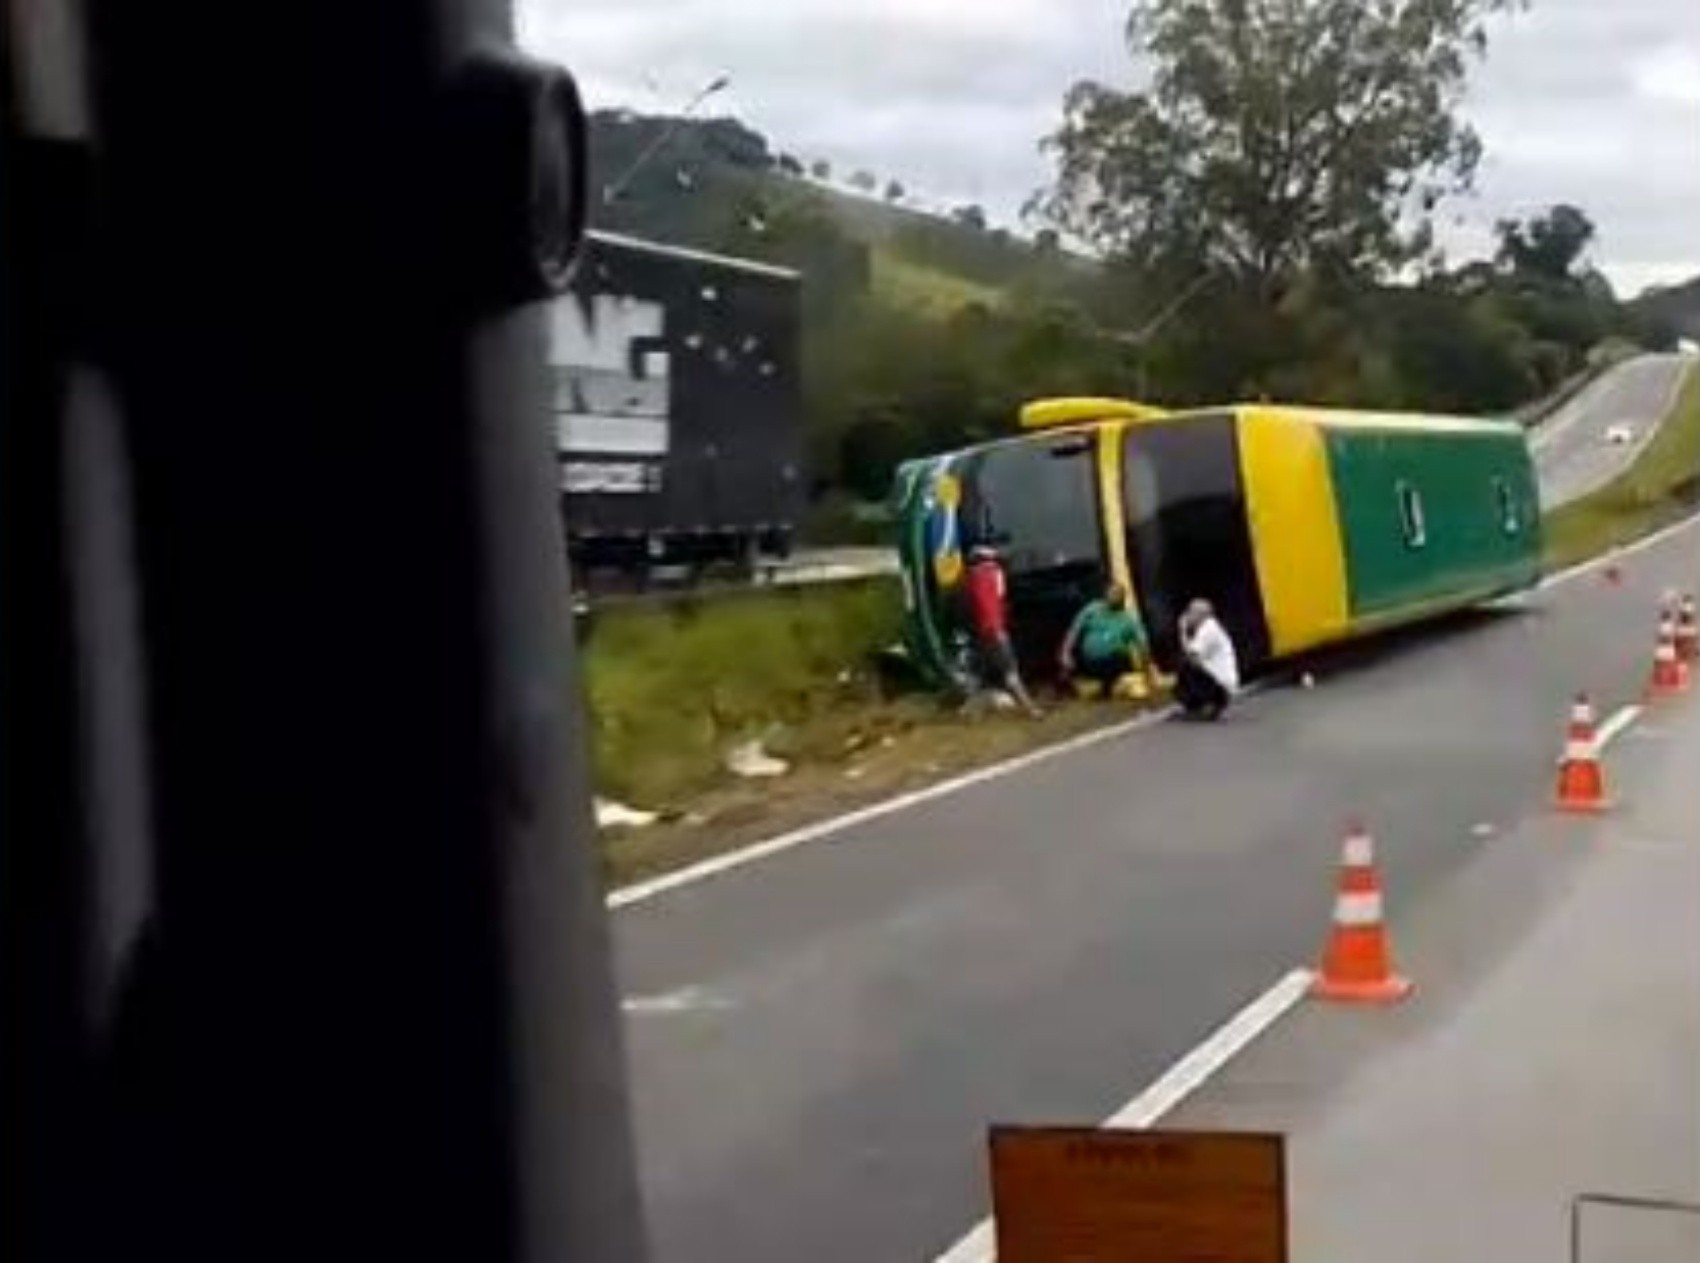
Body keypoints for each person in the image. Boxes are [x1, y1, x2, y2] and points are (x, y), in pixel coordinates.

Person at [962, 544, 1041, 716]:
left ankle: (970, 708)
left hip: (982, 631)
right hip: (995, 629)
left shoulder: (970, 579)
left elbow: (972, 606)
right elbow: (997, 600)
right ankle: (1030, 708)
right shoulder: (992, 574)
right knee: (1010, 669)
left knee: (979, 670)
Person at [1059, 583, 1149, 699]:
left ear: (1123, 598)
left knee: (1122, 661)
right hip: (1088, 660)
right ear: (1105, 594)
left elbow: (1142, 642)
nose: (1114, 596)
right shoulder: (1092, 609)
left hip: (1114, 660)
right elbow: (1074, 631)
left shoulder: (1128, 619)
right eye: (1112, 593)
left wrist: (1146, 666)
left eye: (1118, 594)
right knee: (1068, 662)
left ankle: (1110, 686)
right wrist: (1065, 653)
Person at [1175, 598, 1238, 720]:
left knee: (1186, 665)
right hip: (1219, 681)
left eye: (1190, 612)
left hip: (1220, 684)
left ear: (1200, 615)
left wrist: (1182, 631)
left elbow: (1190, 654)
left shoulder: (1208, 630)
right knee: (1188, 664)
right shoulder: (1208, 628)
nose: (1187, 616)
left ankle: (1205, 705)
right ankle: (1202, 706)